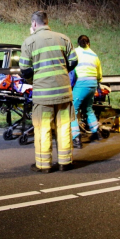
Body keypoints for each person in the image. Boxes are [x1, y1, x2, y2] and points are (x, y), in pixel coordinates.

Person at [20, 11, 78, 172]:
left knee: (43, 128)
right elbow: (74, 61)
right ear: (47, 21)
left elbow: (24, 70)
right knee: (64, 126)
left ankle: (44, 164)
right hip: (64, 93)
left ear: (33, 23)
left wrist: (34, 78)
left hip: (43, 95)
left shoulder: (29, 42)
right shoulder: (63, 38)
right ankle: (65, 162)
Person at [70, 35, 103, 149]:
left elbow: (70, 67)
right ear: (89, 43)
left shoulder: (75, 52)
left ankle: (76, 138)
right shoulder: (94, 55)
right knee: (88, 108)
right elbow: (99, 75)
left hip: (81, 84)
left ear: (78, 43)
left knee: (72, 110)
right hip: (93, 84)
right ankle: (96, 132)